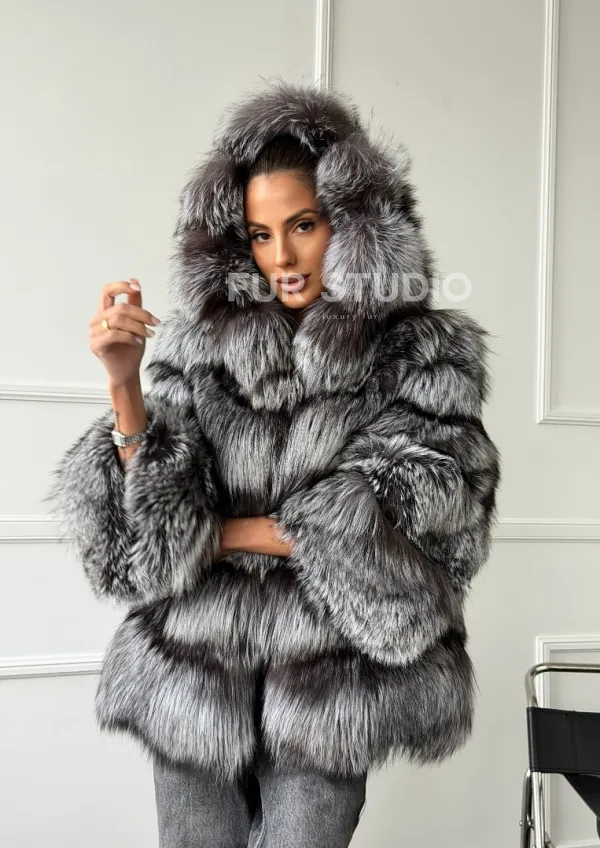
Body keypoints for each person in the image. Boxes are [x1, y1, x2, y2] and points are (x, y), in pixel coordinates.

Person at [45, 78, 501, 848]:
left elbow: (434, 514)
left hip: (330, 690)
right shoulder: (199, 346)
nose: (281, 257)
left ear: (354, 227)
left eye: (304, 225)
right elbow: (141, 544)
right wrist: (124, 383)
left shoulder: (422, 354)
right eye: (260, 234)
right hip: (192, 680)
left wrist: (224, 534)